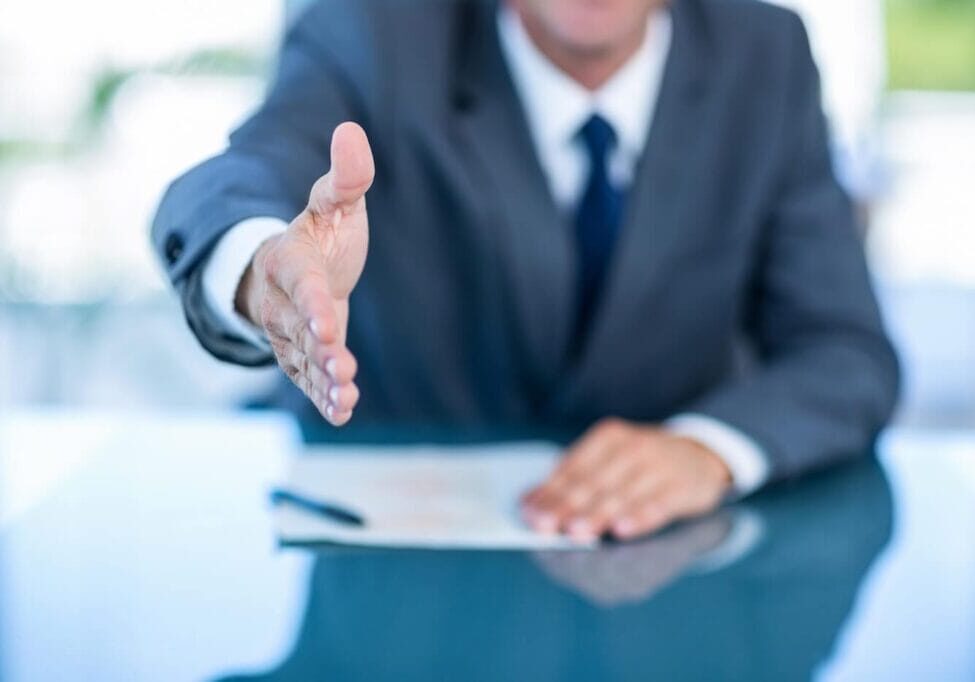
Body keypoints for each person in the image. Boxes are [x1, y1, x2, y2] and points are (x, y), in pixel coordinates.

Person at [152, 0, 899, 543]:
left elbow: (845, 352)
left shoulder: (764, 55)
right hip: (405, 602)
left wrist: (708, 449)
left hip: (667, 588)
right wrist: (259, 267)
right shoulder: (369, 30)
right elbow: (244, 172)